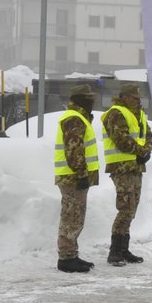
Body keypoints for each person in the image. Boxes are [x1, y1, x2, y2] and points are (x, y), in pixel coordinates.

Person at [101, 82, 152, 266]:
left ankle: (124, 249)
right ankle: (115, 251)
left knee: (132, 207)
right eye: (134, 97)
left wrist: (146, 151)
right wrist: (141, 152)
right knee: (125, 207)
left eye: (139, 98)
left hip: (135, 167)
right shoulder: (116, 113)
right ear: (124, 97)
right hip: (121, 167)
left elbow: (148, 135)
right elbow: (121, 139)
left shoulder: (138, 115)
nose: (137, 101)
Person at [54, 82, 101, 273]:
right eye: (89, 99)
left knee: (75, 217)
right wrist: (81, 173)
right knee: (71, 217)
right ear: (81, 100)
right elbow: (73, 150)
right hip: (73, 176)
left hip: (76, 176)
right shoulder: (74, 118)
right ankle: (66, 258)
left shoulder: (79, 117)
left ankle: (71, 254)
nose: (92, 102)